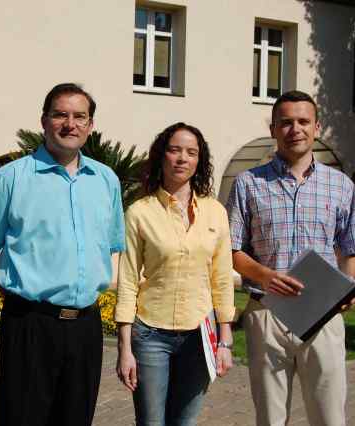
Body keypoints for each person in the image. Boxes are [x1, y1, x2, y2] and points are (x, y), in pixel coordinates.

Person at [0, 82, 125, 426]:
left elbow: (109, 247)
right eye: (60, 115)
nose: (70, 124)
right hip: (30, 325)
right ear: (44, 121)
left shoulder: (106, 180)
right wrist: (22, 293)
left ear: (90, 125)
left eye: (79, 117)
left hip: (86, 327)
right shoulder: (10, 178)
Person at [226, 90, 355, 426]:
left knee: (329, 416)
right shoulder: (248, 183)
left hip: (323, 313)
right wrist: (266, 276)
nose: (295, 129)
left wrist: (347, 285)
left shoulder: (341, 185)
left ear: (317, 127)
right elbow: (231, 251)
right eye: (286, 122)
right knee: (270, 419)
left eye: (303, 121)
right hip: (267, 312)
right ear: (273, 129)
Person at [115, 122, 236, 426]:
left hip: (200, 336)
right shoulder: (139, 212)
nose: (182, 158)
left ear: (199, 160)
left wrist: (225, 340)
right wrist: (124, 347)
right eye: (174, 150)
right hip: (150, 336)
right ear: (162, 156)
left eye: (191, 152)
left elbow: (222, 279)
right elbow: (127, 281)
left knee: (185, 422)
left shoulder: (215, 212)